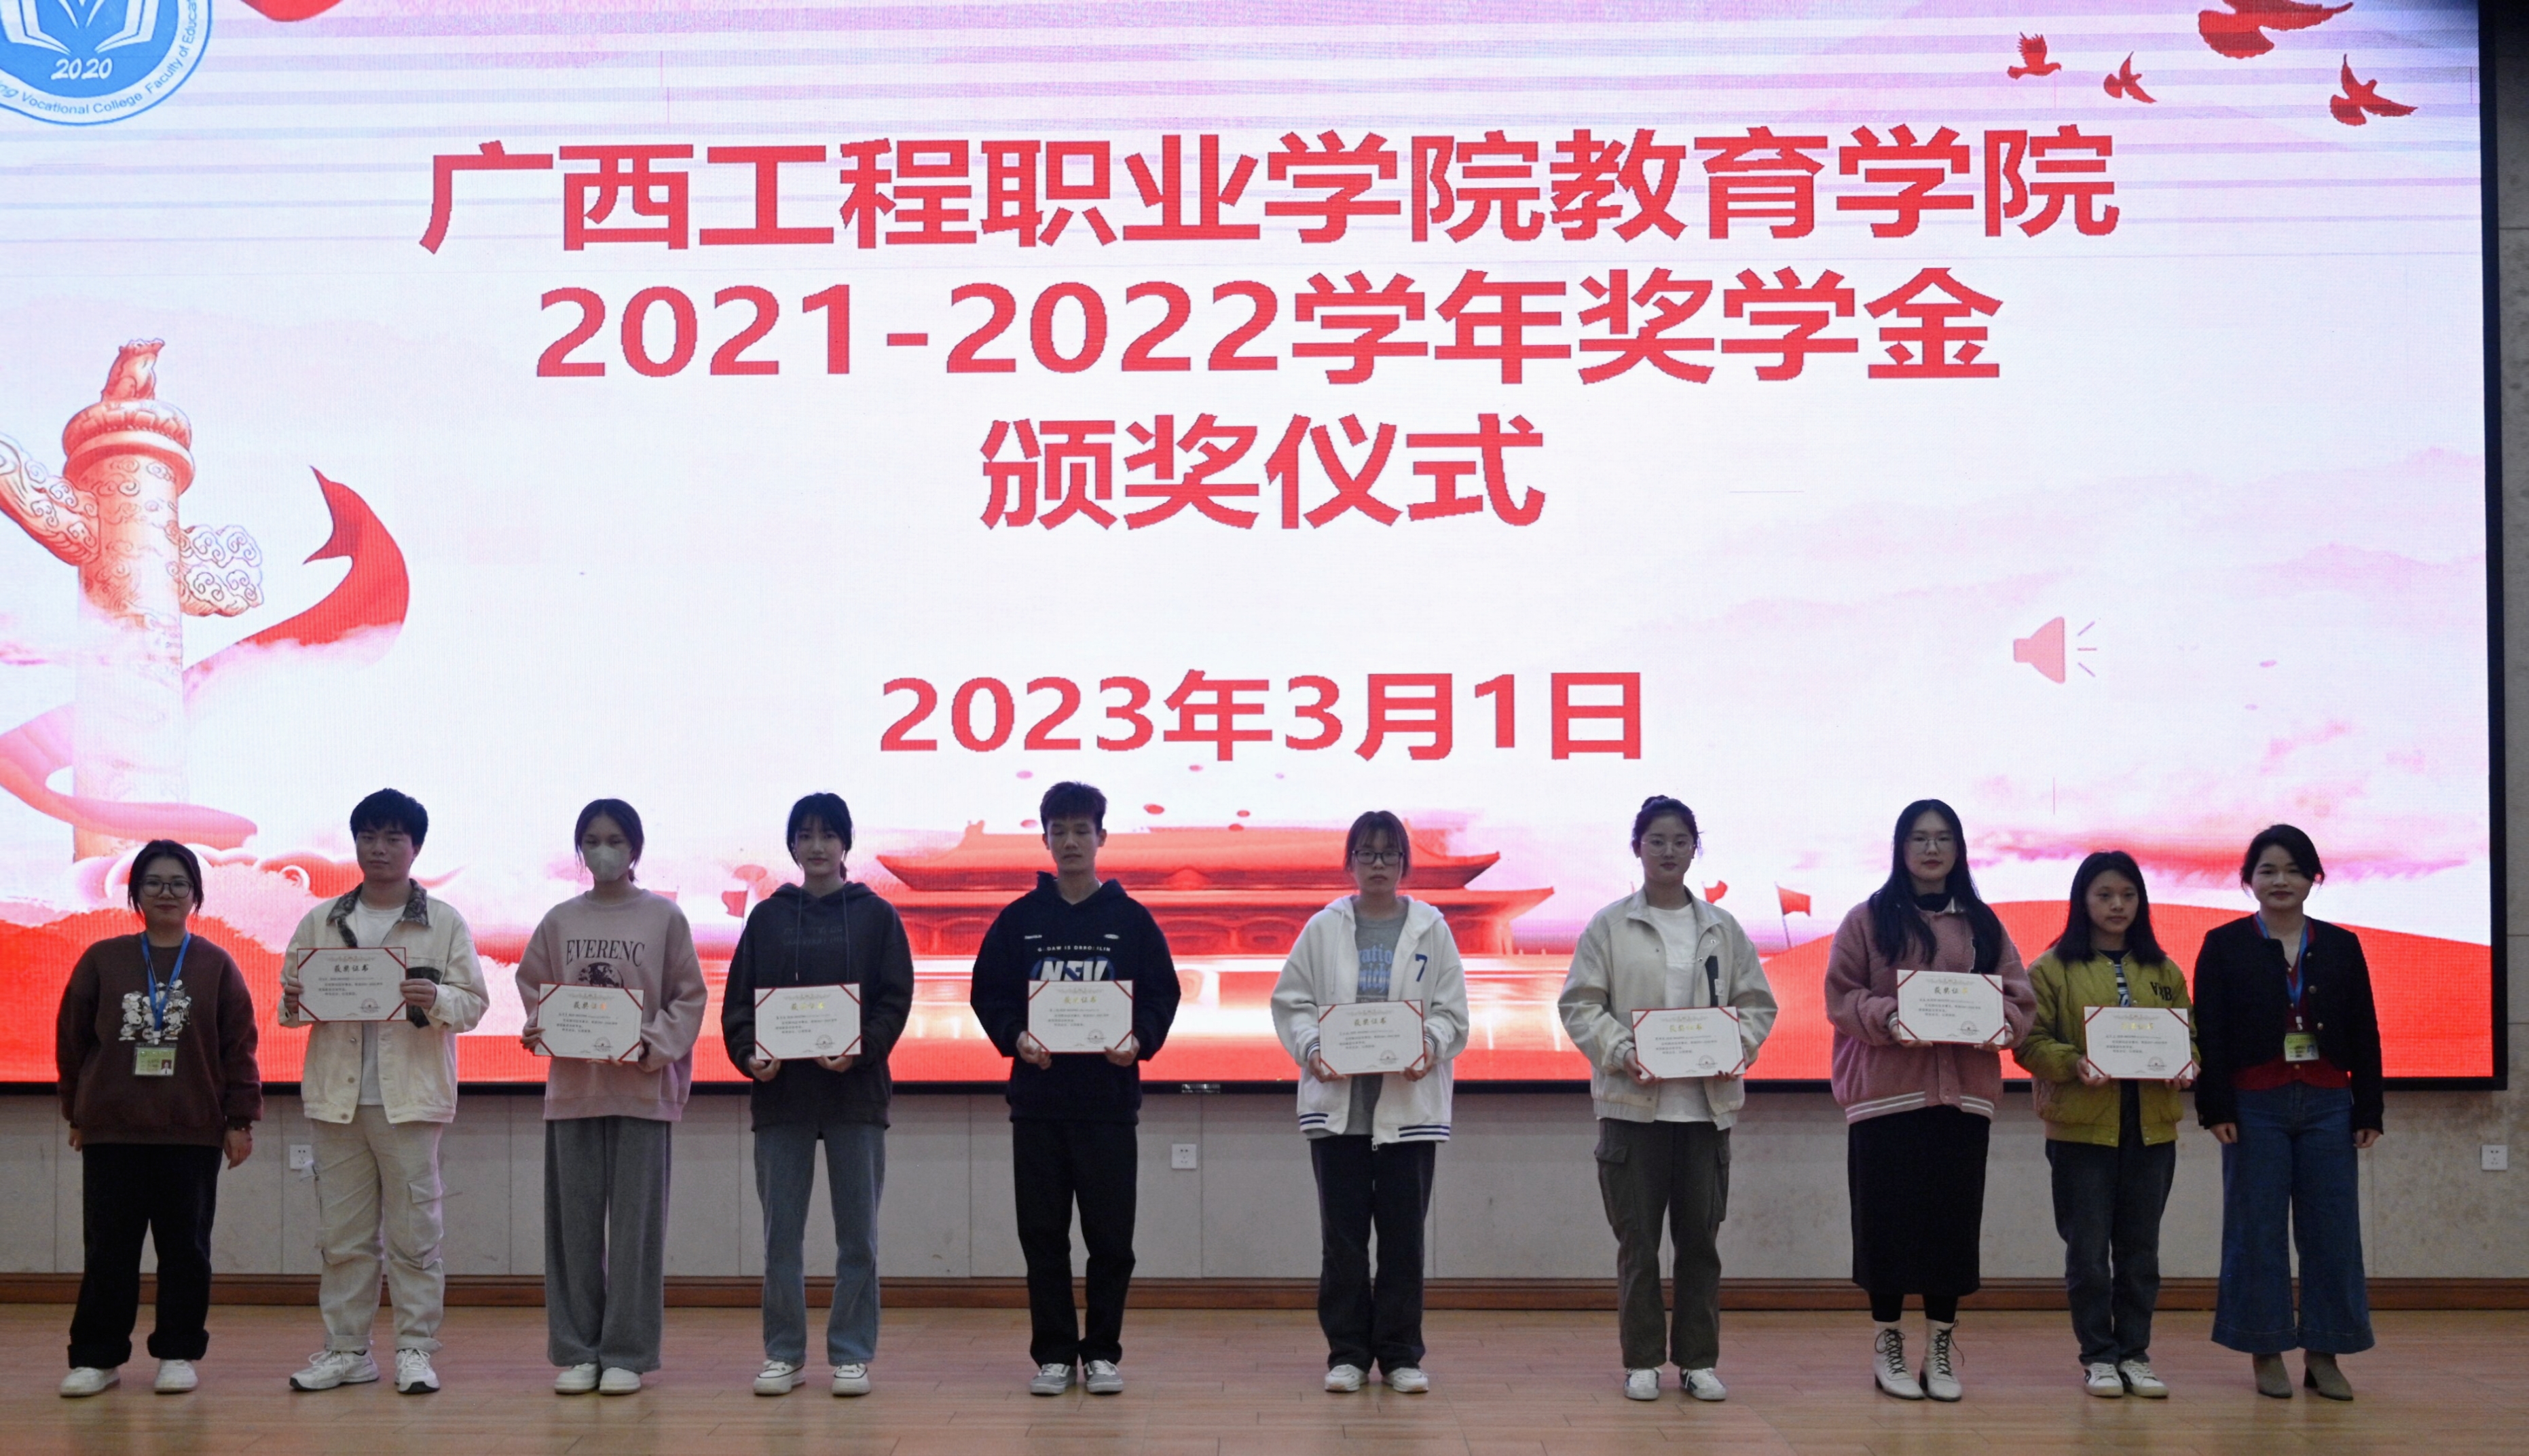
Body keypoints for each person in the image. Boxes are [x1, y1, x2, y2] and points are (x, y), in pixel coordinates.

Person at [1556, 796, 1777, 1404]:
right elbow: (1579, 1004)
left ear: (1694, 848)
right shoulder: (1608, 925)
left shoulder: (1722, 927)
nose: (1669, 851)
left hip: (1705, 1112)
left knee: (1700, 1244)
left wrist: (1737, 1047)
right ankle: (1642, 1360)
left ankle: (1698, 1360)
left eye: (1681, 840)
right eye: (1656, 840)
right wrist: (1620, 1049)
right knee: (1638, 1246)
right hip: (1633, 1110)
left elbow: (1757, 1004)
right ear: (1638, 848)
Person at [967, 781, 1182, 1397]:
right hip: (1038, 1105)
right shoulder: (1019, 920)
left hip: (1108, 1106)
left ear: (1101, 837)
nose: (1069, 841)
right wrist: (1016, 1037)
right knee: (1042, 1237)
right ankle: (1056, 1354)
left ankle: (1104, 1351)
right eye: (1057, 830)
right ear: (1044, 839)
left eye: (1081, 830)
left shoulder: (1131, 919)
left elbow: (1162, 995)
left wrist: (1138, 1039)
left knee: (1111, 1239)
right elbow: (989, 993)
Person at [278, 789, 490, 1396]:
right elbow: (288, 1007)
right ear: (355, 843)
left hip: (410, 1099)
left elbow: (474, 1003)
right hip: (336, 1098)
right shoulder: (321, 919)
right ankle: (347, 1350)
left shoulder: (442, 921)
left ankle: (415, 1348)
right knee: (342, 1236)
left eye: (393, 836)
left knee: (415, 1234)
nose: (379, 847)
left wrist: (437, 998)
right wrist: (296, 1000)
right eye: (368, 836)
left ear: (415, 846)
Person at [1824, 799, 2033, 1403]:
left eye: (1943, 838)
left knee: (1951, 1228)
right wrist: (1888, 1016)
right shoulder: (1867, 918)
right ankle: (1887, 1343)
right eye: (1919, 838)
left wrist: (2002, 1022)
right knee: (1885, 1227)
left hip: (1962, 1100)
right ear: (1901, 847)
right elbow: (1840, 995)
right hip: (1885, 1100)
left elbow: (2020, 998)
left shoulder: (1983, 924)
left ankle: (1939, 1347)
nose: (1931, 848)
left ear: (1958, 848)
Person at [719, 793, 916, 1398]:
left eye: (828, 834)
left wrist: (862, 1048)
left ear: (846, 843)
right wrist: (749, 1054)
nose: (817, 846)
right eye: (804, 835)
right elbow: (739, 1004)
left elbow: (895, 999)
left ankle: (851, 1353)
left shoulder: (877, 916)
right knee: (781, 1236)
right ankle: (784, 1352)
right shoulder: (768, 918)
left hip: (856, 1095)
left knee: (858, 1236)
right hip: (783, 1098)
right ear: (792, 846)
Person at [1270, 810, 1471, 1396]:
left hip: (1408, 1108)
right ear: (1350, 862)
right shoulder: (1323, 928)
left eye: (1388, 853)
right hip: (1340, 1111)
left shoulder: (1431, 928)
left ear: (1404, 862)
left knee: (1404, 1240)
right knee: (1343, 1241)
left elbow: (1453, 1011)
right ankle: (1348, 1354)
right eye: (1366, 852)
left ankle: (1401, 1354)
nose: (1378, 863)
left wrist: (1428, 1044)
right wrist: (1312, 1047)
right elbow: (1291, 1002)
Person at [54, 840, 261, 1398]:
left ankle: (177, 1351)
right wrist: (77, 1110)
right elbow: (73, 1041)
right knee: (109, 1250)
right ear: (135, 892)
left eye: (178, 883)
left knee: (185, 1250)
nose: (166, 893)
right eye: (153, 882)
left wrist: (240, 1119)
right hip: (113, 1129)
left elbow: (239, 1046)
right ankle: (96, 1358)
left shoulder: (216, 963)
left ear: (195, 894)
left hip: (191, 1130)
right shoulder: (103, 958)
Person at [517, 798, 707, 1396]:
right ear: (580, 849)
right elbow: (534, 987)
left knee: (635, 1234)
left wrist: (653, 1043)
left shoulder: (664, 917)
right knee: (572, 1230)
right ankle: (578, 1350)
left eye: (616, 840)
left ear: (635, 849)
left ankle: (627, 1352)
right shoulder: (559, 920)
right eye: (593, 840)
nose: (604, 851)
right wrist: (542, 1025)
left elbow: (689, 997)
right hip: (575, 1091)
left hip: (642, 1091)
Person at [2192, 824, 2382, 1402]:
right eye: (2268, 869)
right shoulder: (2223, 943)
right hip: (2254, 1104)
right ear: (2248, 879)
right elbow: (2209, 1033)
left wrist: (2368, 1107)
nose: (2281, 880)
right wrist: (2214, 1106)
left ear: (2312, 878)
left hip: (2328, 1102)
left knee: (2333, 1231)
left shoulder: (2342, 944)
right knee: (2256, 1230)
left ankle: (2325, 1353)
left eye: (2294, 870)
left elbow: (2364, 1030)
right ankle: (2265, 1348)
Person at [2014, 851, 2196, 1400]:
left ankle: (2135, 1353)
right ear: (2082, 901)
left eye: (2128, 895)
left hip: (2151, 1129)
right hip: (2081, 1130)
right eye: (2104, 895)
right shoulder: (2050, 968)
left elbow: (2189, 1038)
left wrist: (2187, 1064)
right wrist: (2074, 1064)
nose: (2117, 905)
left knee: (2141, 1253)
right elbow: (2028, 1041)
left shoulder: (2164, 970)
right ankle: (2097, 1355)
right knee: (2088, 1254)